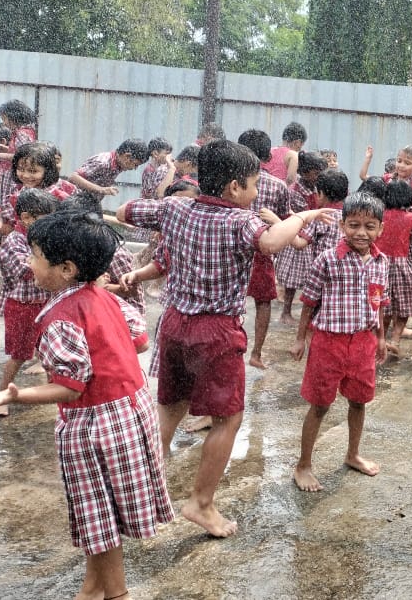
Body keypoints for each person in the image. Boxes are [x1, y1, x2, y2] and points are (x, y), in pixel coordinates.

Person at [116, 139, 329, 538]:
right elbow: (271, 242)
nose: (255, 192)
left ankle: (142, 488)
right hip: (216, 332)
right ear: (234, 187)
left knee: (170, 408)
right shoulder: (240, 221)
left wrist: (171, 208)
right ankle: (201, 503)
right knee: (228, 418)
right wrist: (304, 215)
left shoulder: (175, 207)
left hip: (174, 325)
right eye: (253, 184)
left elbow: (124, 211)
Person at [0, 208, 173, 600]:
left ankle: (117, 594)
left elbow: (70, 388)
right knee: (103, 514)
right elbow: (140, 342)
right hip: (132, 410)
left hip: (96, 425)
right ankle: (92, 589)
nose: (30, 263)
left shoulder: (59, 317)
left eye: (35, 256)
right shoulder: (106, 297)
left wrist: (14, 395)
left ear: (65, 269)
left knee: (99, 516)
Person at [290, 192, 389, 488]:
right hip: (328, 343)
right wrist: (300, 338)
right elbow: (309, 301)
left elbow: (379, 302)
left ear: (380, 229)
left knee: (359, 401)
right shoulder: (327, 259)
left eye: (369, 226)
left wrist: (381, 337)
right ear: (342, 225)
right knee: (320, 404)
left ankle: (353, 454)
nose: (361, 232)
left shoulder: (381, 262)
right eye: (354, 225)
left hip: (363, 342)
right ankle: (303, 465)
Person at [0, 189, 60, 415]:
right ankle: (2, 395)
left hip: (45, 302)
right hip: (22, 306)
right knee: (19, 354)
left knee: (50, 349)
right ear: (26, 217)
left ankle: (56, 393)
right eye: (45, 219)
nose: (50, 224)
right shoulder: (14, 241)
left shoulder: (42, 238)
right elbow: (26, 271)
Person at [237, 129, 293, 370]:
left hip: (232, 247)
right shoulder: (278, 185)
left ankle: (234, 346)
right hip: (262, 248)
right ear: (267, 156)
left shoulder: (230, 182)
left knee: (228, 297)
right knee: (263, 301)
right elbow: (283, 218)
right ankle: (256, 353)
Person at [374, 179, 412, 354]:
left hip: (378, 263)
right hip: (401, 264)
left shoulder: (379, 215)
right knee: (405, 304)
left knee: (382, 306)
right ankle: (395, 340)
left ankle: (379, 339)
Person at [276, 151, 329, 325]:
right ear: (305, 172)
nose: (319, 176)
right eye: (317, 173)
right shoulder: (295, 191)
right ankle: (286, 312)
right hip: (298, 235)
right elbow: (303, 215)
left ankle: (312, 313)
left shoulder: (316, 187)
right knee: (292, 279)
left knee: (313, 279)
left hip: (312, 234)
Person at [0, 141, 76, 231]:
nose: (25, 175)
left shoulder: (59, 196)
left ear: (47, 171)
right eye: (21, 169)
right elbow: (12, 220)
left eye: (33, 171)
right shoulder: (18, 195)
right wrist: (0, 222)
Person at [67, 139, 149, 202]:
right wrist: (101, 189)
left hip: (87, 201)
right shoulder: (103, 162)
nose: (134, 168)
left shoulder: (118, 165)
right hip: (72, 199)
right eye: (135, 164)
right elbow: (73, 177)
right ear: (127, 157)